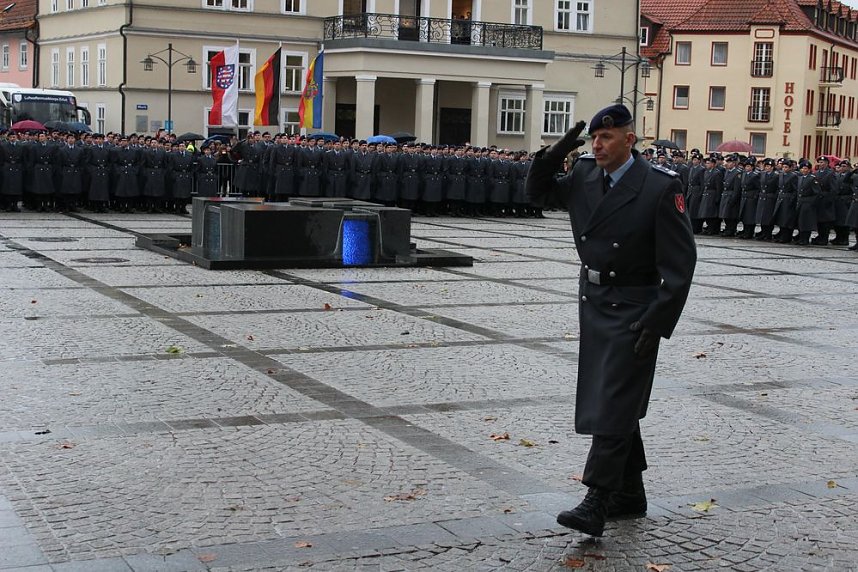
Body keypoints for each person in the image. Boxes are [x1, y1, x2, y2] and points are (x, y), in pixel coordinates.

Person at [525, 104, 697, 537]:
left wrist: (657, 323)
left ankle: (597, 499)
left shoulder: (659, 187)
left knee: (614, 399)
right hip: (596, 300)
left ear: (629, 139)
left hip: (636, 306)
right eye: (594, 139)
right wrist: (560, 148)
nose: (598, 145)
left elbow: (680, 264)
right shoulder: (584, 174)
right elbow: (538, 193)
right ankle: (629, 494)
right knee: (615, 395)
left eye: (607, 138)